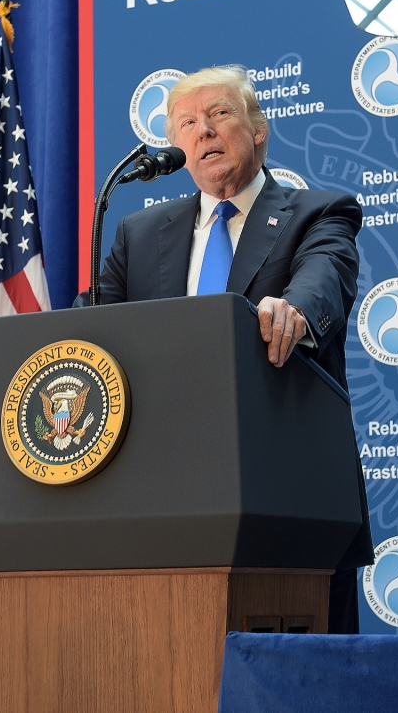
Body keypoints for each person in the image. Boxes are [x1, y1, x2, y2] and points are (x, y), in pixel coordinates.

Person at [87, 64, 372, 632]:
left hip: (283, 493)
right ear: (177, 147)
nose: (204, 131)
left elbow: (323, 281)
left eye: (220, 114)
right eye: (188, 123)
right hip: (161, 496)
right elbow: (93, 330)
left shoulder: (318, 213)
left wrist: (292, 309)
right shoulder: (139, 234)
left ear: (258, 128)